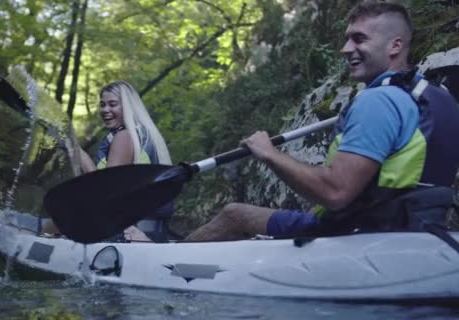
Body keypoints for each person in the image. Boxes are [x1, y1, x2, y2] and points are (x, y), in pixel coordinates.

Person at [185, 1, 459, 241]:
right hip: (419, 231)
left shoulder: (378, 101)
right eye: (347, 39)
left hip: (362, 234)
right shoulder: (433, 97)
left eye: (359, 39)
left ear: (395, 45)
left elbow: (335, 193)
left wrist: (269, 154)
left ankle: (163, 265)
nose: (345, 48)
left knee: (235, 214)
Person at [43, 80, 174, 242]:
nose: (105, 110)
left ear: (127, 108)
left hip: (132, 237)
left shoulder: (124, 137)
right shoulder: (144, 135)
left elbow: (104, 191)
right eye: (103, 105)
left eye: (113, 104)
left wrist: (79, 154)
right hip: (154, 234)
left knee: (53, 224)